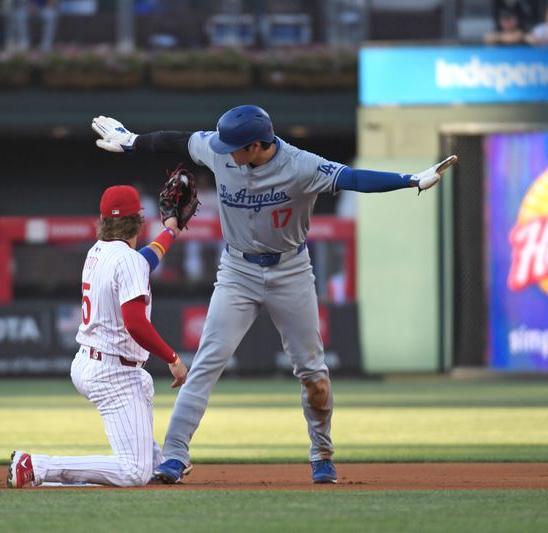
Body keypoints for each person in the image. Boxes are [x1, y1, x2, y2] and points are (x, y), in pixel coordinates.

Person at [91, 106, 456, 484]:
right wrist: (132, 141)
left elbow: (353, 178)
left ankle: (322, 451)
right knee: (206, 363)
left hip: (290, 272)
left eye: (234, 146)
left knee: (313, 374)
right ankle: (175, 454)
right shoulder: (220, 150)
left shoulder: (301, 166)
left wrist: (410, 179)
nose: (223, 151)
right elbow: (177, 141)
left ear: (256, 145)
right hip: (237, 270)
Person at [7, 184, 189, 488]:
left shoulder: (98, 251)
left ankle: (156, 460)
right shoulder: (127, 259)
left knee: (142, 383)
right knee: (133, 473)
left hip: (89, 361)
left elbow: (145, 260)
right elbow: (135, 323)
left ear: (103, 219)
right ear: (137, 221)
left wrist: (171, 230)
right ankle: (37, 466)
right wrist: (172, 358)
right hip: (111, 371)